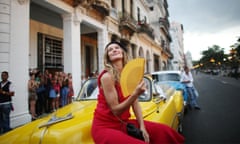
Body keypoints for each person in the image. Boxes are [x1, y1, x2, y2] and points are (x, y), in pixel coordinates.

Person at [91, 41, 184, 143]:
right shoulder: (107, 77)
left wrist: (142, 126)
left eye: (116, 47)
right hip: (105, 126)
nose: (114, 50)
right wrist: (136, 93)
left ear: (122, 52)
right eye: (110, 50)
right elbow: (116, 110)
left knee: (164, 131)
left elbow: (135, 104)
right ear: (107, 57)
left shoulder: (129, 75)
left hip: (123, 123)